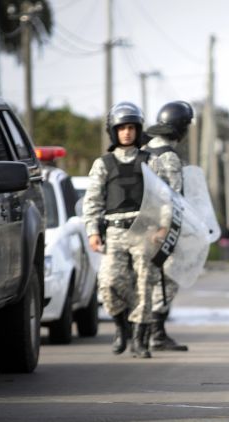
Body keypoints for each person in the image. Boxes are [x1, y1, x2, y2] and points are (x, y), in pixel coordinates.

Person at [83, 102, 165, 359]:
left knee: (144, 284)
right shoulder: (103, 164)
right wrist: (93, 231)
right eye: (122, 128)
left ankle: (140, 340)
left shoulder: (150, 161)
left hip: (145, 230)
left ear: (138, 130)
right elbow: (93, 200)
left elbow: (163, 197)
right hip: (115, 231)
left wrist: (162, 226)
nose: (127, 132)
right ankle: (122, 328)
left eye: (131, 127)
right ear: (113, 131)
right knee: (108, 283)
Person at [142, 100, 195, 352]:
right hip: (163, 229)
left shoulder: (143, 150)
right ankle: (157, 332)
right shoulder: (169, 157)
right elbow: (175, 197)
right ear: (182, 128)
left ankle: (140, 332)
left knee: (146, 278)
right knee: (168, 279)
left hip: (140, 227)